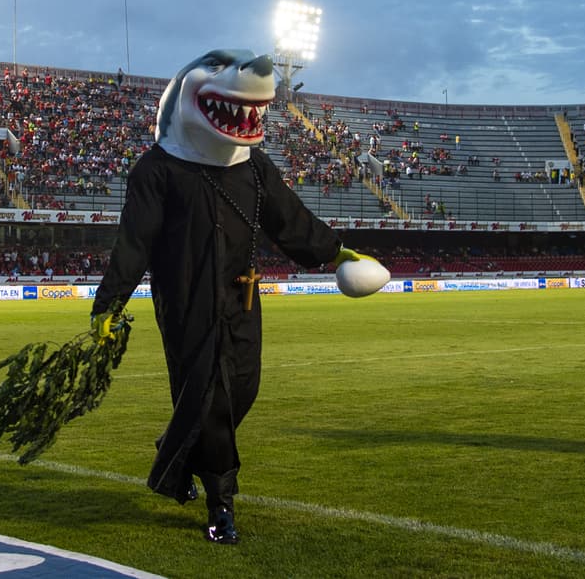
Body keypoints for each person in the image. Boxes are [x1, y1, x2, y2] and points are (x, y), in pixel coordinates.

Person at [89, 49, 379, 545]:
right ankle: (220, 504)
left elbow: (290, 219)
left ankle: (182, 441)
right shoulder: (157, 170)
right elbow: (133, 245)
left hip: (243, 297)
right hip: (185, 300)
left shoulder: (255, 167)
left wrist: (335, 255)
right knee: (213, 397)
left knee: (242, 388)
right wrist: (108, 306)